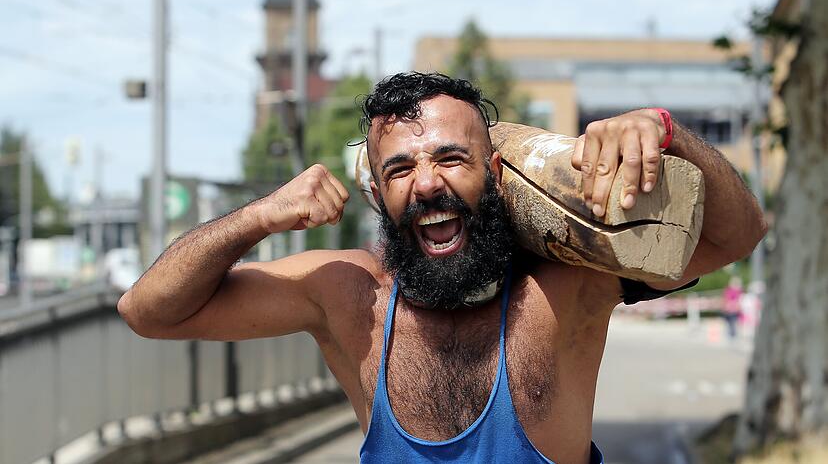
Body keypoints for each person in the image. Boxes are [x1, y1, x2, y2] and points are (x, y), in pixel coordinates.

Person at [118, 72, 767, 463]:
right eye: (400, 168)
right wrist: (260, 216)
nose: (426, 184)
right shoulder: (351, 300)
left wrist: (664, 131)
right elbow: (147, 311)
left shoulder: (565, 288)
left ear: (494, 173)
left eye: (450, 159)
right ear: (377, 190)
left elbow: (739, 235)